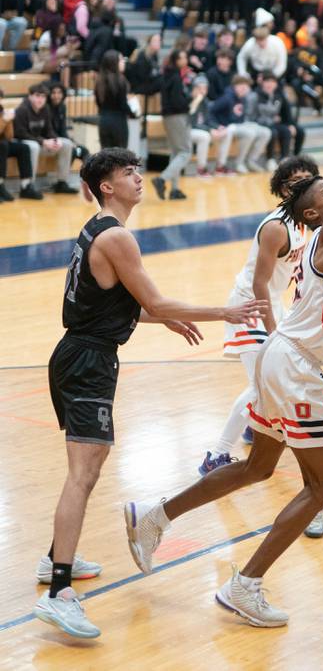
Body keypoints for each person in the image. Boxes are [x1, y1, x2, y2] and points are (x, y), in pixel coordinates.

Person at [123, 61, 323, 626]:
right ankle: (245, 584)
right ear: (314, 212)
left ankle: (154, 515)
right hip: (293, 364)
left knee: (257, 469)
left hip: (280, 360)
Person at [33, 147, 270, 640]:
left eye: (138, 169)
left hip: (82, 353)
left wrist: (163, 318)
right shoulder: (117, 236)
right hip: (88, 361)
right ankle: (58, 591)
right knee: (83, 474)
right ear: (106, 186)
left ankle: (59, 555)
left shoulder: (99, 227)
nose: (138, 178)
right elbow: (155, 299)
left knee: (86, 472)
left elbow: (113, 304)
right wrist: (222, 313)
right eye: (128, 173)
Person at [198, 154, 319, 474]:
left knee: (269, 382)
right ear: (282, 189)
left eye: (308, 180)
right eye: (294, 182)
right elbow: (259, 282)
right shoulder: (277, 227)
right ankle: (216, 454)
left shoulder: (303, 223)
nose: (302, 186)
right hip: (249, 305)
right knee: (260, 386)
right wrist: (273, 331)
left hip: (271, 302)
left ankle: (253, 423)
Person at [13, 84, 79, 194]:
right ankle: (29, 186)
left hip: (40, 142)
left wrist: (55, 139)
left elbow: (49, 129)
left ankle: (61, 183)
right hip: (23, 142)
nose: (40, 99)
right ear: (30, 96)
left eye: (43, 97)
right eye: (37, 96)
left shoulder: (45, 109)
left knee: (66, 143)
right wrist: (43, 141)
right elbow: (21, 133)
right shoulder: (22, 110)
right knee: (33, 147)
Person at [208, 74, 272, 174]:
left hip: (239, 124)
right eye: (242, 86)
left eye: (246, 87)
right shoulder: (227, 98)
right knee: (249, 133)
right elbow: (210, 112)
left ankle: (251, 160)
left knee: (266, 132)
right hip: (228, 126)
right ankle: (239, 162)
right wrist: (216, 126)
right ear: (235, 86)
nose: (245, 89)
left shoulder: (242, 97)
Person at [153, 48, 192, 200]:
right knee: (185, 152)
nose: (186, 60)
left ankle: (175, 189)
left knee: (176, 152)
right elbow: (177, 101)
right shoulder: (175, 77)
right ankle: (162, 179)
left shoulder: (168, 75)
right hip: (177, 116)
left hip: (169, 117)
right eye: (183, 57)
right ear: (177, 61)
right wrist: (189, 101)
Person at [0, 90, 41, 200]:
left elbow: (9, 136)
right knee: (2, 145)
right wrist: (4, 120)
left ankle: (26, 186)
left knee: (23, 148)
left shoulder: (1, 110)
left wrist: (9, 121)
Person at [95, 49, 134, 148]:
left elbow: (99, 103)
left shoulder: (99, 81)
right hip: (118, 121)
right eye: (121, 60)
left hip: (104, 121)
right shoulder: (120, 81)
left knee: (106, 156)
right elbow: (123, 104)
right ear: (114, 63)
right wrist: (133, 114)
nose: (123, 62)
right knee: (121, 156)